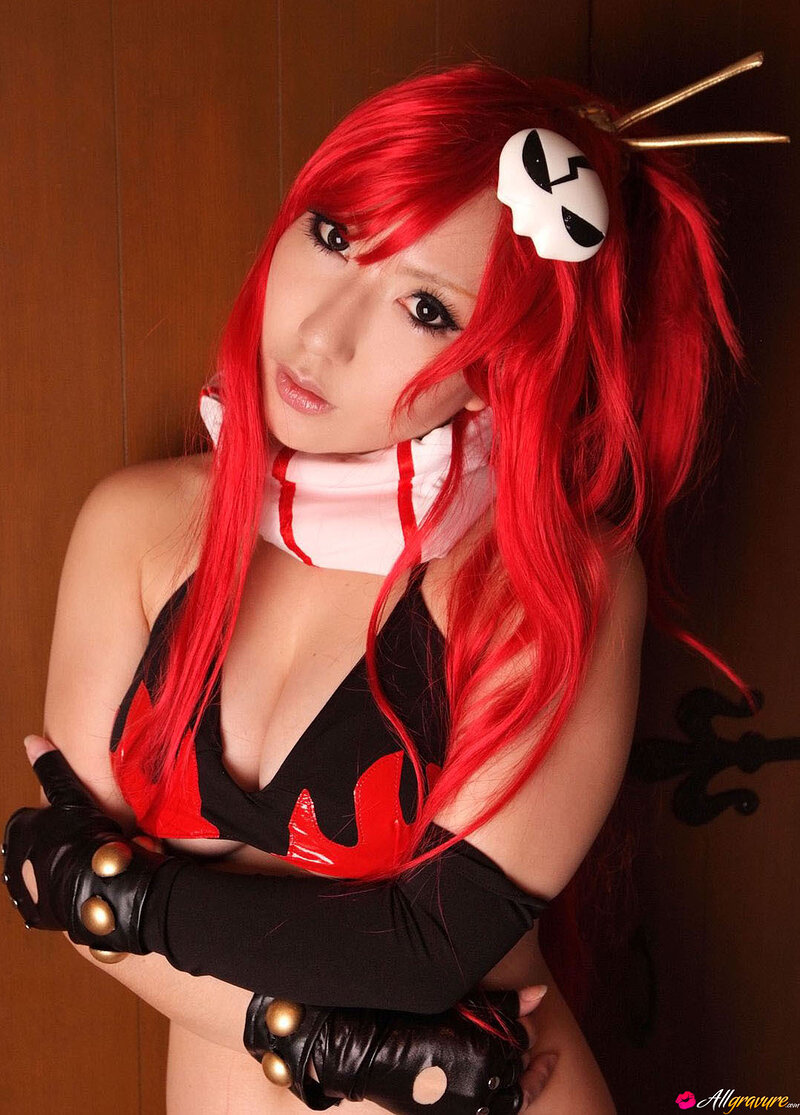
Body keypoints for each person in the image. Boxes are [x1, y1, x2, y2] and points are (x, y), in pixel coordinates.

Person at [4, 56, 767, 1114]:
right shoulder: (136, 528)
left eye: (424, 305)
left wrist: (114, 892)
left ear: (499, 365)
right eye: (332, 236)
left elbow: (420, 947)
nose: (322, 333)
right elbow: (71, 900)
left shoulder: (547, 578)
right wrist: (337, 1044)